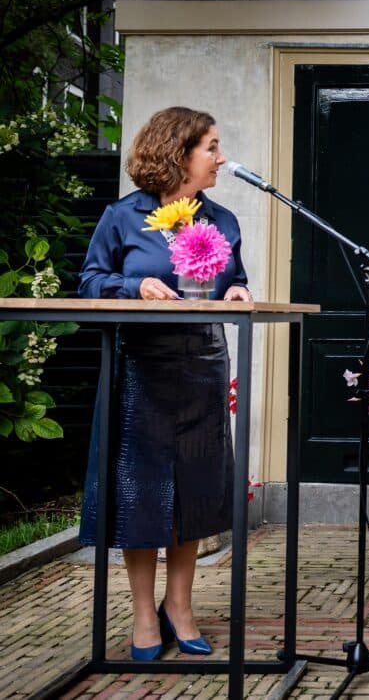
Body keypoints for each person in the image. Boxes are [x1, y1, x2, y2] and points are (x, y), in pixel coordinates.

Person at [78, 106, 252, 659]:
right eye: (211, 148)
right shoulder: (123, 217)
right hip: (141, 368)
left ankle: (179, 606)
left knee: (195, 488)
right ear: (179, 153)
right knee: (142, 491)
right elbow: (91, 280)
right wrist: (136, 286)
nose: (220, 158)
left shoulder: (222, 220)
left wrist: (238, 292)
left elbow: (235, 278)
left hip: (203, 362)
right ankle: (142, 616)